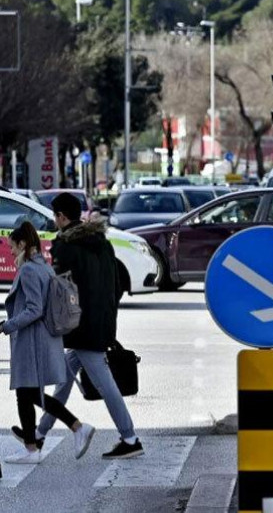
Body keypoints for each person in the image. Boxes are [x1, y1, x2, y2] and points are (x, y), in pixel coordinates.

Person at [30, 193, 144, 459]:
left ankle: (130, 438)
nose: (54, 222)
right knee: (64, 378)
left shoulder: (65, 246)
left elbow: (59, 289)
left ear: (61, 216)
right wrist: (106, 312)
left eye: (55, 217)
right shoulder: (101, 241)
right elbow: (115, 282)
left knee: (105, 383)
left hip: (79, 325)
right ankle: (38, 434)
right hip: (101, 319)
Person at [0, 222, 95, 464]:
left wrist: (7, 325)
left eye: (12, 246)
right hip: (42, 339)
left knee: (27, 393)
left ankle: (60, 435)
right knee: (28, 394)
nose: (9, 252)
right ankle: (43, 442)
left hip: (33, 341)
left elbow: (34, 309)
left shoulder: (30, 270)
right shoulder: (43, 266)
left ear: (22, 244)